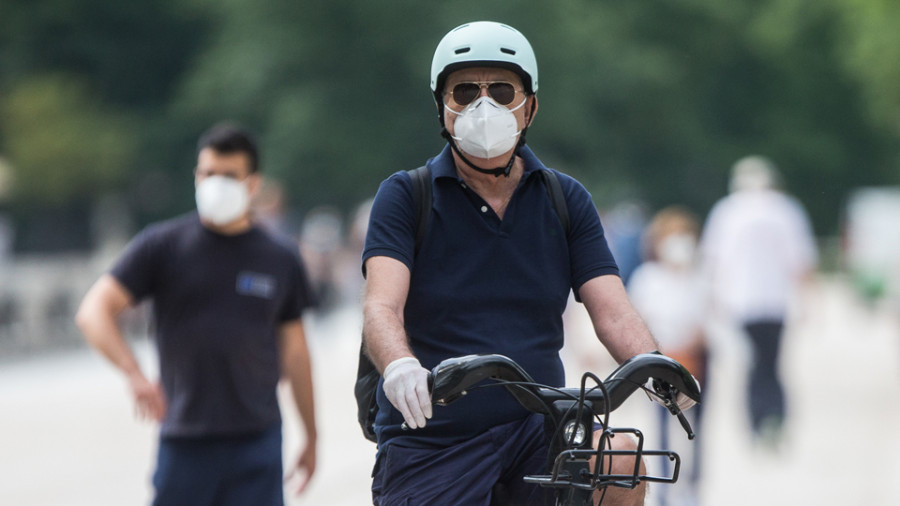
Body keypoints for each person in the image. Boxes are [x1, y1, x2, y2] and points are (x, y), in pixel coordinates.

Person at [361, 21, 696, 506]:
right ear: (442, 107)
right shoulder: (405, 195)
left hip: (540, 430)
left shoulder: (565, 198)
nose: (483, 106)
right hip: (434, 436)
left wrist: (656, 366)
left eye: (500, 90)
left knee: (620, 460)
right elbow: (381, 307)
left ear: (530, 105)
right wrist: (398, 365)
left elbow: (613, 311)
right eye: (464, 92)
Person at [75, 123, 318, 505]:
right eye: (207, 174)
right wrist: (133, 373)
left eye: (228, 176)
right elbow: (93, 311)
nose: (215, 184)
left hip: (257, 439)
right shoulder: (163, 246)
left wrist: (312, 435)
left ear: (252, 185)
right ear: (195, 176)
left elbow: (297, 352)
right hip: (185, 440)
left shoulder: (280, 257)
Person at [699, 155, 818, 446]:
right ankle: (774, 416)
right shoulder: (786, 209)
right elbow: (800, 261)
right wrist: (808, 300)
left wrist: (711, 298)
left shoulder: (727, 211)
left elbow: (713, 260)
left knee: (751, 364)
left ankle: (756, 421)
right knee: (772, 362)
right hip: (775, 301)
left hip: (740, 301)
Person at [627, 206, 708, 506]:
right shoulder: (647, 278)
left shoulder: (701, 277)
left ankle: (693, 485)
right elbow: (638, 319)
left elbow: (712, 318)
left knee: (698, 426)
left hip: (697, 359)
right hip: (662, 361)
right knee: (661, 424)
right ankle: (663, 484)